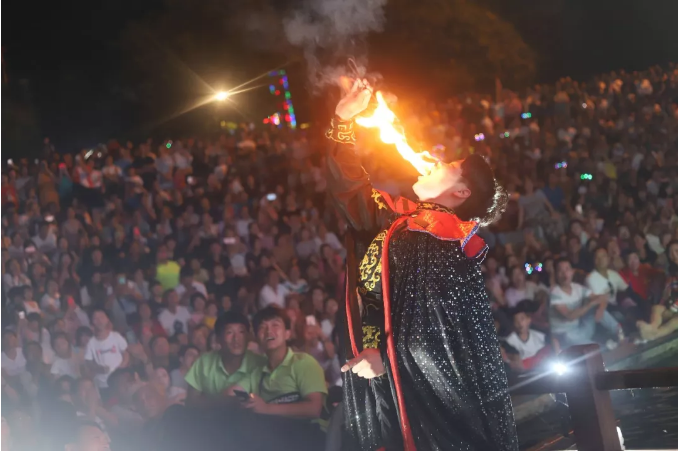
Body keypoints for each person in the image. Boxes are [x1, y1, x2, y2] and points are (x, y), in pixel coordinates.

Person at [328, 81, 517, 450]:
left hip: (405, 383)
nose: (430, 159)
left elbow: (437, 328)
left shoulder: (441, 238)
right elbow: (352, 193)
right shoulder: (406, 221)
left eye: (446, 164)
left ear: (461, 193)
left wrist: (384, 357)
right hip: (378, 373)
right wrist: (342, 122)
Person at [185, 311, 265, 405]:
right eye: (229, 332)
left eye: (241, 332)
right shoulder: (204, 362)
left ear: (248, 336)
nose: (236, 338)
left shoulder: (260, 364)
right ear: (218, 338)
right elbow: (191, 402)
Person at [549, 259, 621, 348]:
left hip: (581, 329)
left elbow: (603, 297)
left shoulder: (577, 288)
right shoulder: (554, 293)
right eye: (560, 271)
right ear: (556, 275)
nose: (564, 274)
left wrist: (601, 308)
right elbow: (570, 316)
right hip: (564, 335)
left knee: (596, 306)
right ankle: (603, 347)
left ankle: (619, 332)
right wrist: (590, 304)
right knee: (569, 337)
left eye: (567, 269)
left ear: (572, 272)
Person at [84, 309, 129, 394]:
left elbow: (125, 352)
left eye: (102, 317)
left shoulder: (116, 336)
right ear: (92, 322)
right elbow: (88, 362)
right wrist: (98, 368)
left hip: (120, 379)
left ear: (107, 319)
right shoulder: (91, 343)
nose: (99, 320)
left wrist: (123, 365)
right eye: (96, 318)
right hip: (103, 383)